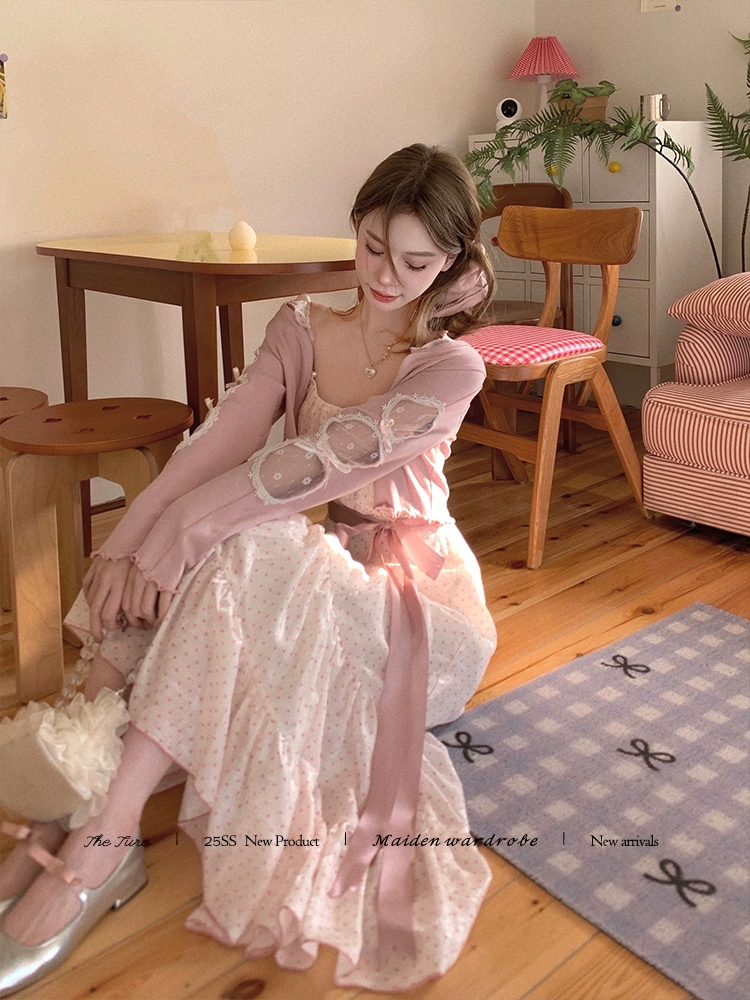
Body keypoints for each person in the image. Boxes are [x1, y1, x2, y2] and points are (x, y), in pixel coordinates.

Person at [0, 143, 498, 994]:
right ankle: (68, 798)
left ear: (450, 262)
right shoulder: (301, 328)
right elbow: (220, 446)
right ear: (355, 226)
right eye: (373, 248)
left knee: (242, 543)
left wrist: (177, 533)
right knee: (225, 545)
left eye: (417, 263)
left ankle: (101, 841)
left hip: (413, 608)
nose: (387, 276)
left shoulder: (451, 367)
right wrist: (126, 542)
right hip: (313, 562)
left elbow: (318, 464)